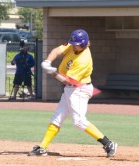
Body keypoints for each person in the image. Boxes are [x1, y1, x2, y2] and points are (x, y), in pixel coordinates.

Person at [28, 29, 118, 157]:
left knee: (79, 121)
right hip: (71, 89)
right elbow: (57, 51)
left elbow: (68, 81)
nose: (74, 46)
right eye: (73, 43)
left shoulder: (84, 60)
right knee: (57, 118)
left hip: (79, 89)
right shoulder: (73, 44)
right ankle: (42, 147)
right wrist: (48, 62)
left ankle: (108, 143)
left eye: (77, 44)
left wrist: (52, 72)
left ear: (84, 44)